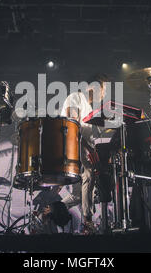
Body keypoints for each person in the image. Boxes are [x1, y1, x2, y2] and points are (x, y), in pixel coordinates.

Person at [60, 73, 110, 234]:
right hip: (74, 147)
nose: (103, 95)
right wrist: (89, 150)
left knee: (77, 195)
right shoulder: (75, 97)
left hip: (84, 149)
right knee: (89, 175)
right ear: (95, 87)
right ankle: (88, 222)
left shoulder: (89, 107)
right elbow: (72, 127)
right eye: (104, 90)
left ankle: (47, 212)